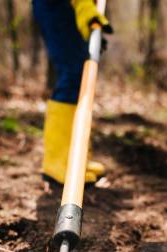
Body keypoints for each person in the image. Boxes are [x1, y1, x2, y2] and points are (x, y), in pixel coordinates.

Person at [32, 0, 112, 184]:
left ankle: (77, 158)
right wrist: (86, 9)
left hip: (68, 6)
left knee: (80, 76)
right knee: (73, 73)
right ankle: (58, 162)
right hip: (55, 5)